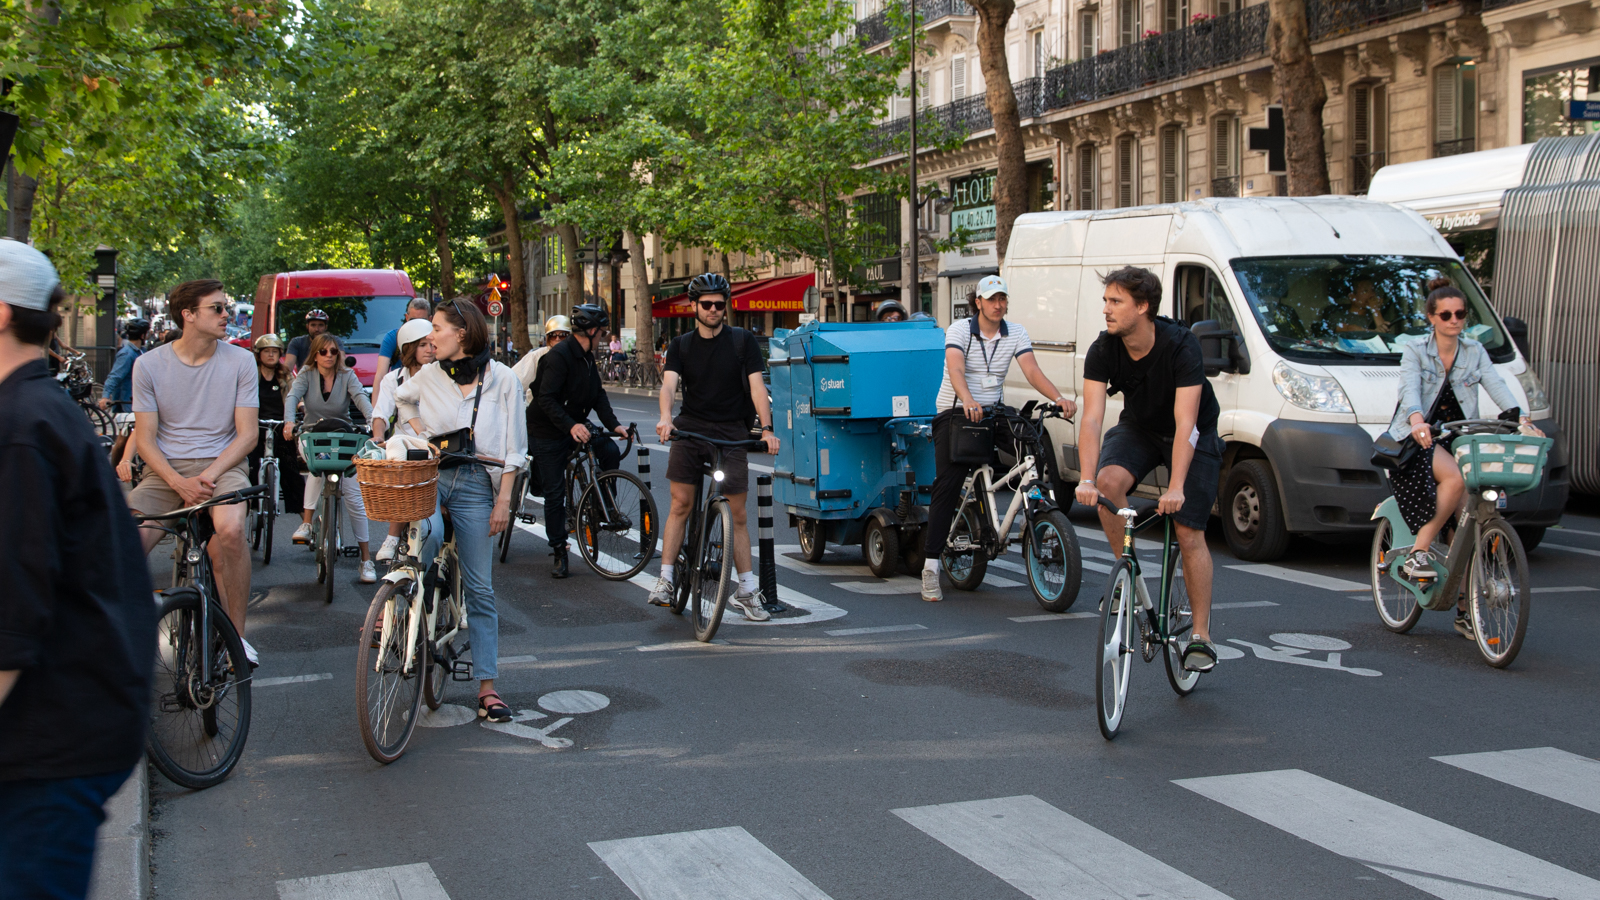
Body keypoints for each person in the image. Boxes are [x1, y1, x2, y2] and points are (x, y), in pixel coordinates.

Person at [0, 241, 157, 900]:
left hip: (50, 737)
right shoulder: (35, 413)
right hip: (67, 723)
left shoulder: (20, 427)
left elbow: (13, 611)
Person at [1073, 266, 1222, 672]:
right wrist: (1087, 478)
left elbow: (1186, 423)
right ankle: (1130, 578)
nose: (1106, 309)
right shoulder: (1103, 349)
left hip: (1192, 432)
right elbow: (1091, 419)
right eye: (1105, 300)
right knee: (1107, 485)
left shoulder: (1181, 345)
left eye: (1115, 301)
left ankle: (1201, 637)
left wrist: (1175, 487)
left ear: (1143, 307)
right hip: (1140, 428)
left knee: (1189, 530)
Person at [394, 298, 527, 723]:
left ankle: (487, 688)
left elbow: (514, 449)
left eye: (435, 328)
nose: (428, 336)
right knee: (427, 536)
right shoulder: (428, 375)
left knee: (481, 590)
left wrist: (503, 501)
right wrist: (420, 434)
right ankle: (414, 604)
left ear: (462, 333)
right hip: (432, 474)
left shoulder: (503, 379)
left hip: (475, 484)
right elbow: (402, 400)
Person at [1389, 277, 1539, 638]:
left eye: (1460, 314)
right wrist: (1416, 420)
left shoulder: (1474, 351)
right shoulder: (1415, 350)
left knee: (1469, 515)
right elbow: (1409, 388)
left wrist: (1520, 418)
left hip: (1458, 434)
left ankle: (1464, 611)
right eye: (1446, 314)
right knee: (1455, 479)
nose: (1454, 320)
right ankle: (1419, 552)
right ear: (1431, 318)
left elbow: (1496, 384)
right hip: (1419, 435)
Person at [127, 279, 260, 663]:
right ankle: (123, 638)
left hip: (225, 463)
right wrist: (177, 481)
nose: (227, 315)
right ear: (188, 315)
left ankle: (236, 638)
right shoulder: (148, 365)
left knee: (231, 531)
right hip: (166, 471)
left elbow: (247, 434)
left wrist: (209, 476)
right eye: (217, 308)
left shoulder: (241, 360)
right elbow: (146, 440)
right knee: (123, 545)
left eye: (226, 307)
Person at [922, 274, 1076, 603]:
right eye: (992, 299)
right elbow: (955, 369)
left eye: (1002, 298)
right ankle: (931, 567)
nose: (998, 305)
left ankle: (1034, 513)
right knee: (947, 485)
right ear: (978, 302)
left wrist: (1059, 398)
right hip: (955, 410)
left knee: (1032, 441)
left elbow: (1032, 371)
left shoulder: (1015, 332)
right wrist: (967, 399)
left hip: (991, 410)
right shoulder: (960, 330)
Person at [649, 273, 780, 621]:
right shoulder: (681, 345)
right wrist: (665, 418)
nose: (712, 310)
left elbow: (756, 389)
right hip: (690, 430)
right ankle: (664, 579)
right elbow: (668, 386)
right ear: (694, 306)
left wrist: (766, 430)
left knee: (737, 513)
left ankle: (748, 590)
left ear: (726, 307)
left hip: (732, 431)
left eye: (719, 305)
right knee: (681, 502)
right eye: (706, 304)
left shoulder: (742, 342)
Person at [528, 304, 628, 578]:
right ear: (592, 331)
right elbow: (545, 399)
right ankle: (560, 550)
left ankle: (601, 504)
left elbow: (597, 395)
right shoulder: (558, 357)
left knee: (608, 449)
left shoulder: (586, 357)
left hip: (573, 421)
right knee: (554, 492)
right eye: (603, 332)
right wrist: (571, 426)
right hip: (547, 428)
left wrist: (614, 425)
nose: (605, 337)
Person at [284, 333, 377, 583]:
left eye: (333, 352)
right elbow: (293, 397)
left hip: (343, 437)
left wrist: (373, 422)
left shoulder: (348, 375)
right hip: (313, 436)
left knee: (355, 499)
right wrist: (290, 421)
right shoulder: (305, 374)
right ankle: (306, 523)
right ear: (314, 354)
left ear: (339, 354)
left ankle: (366, 560)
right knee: (316, 467)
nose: (328, 356)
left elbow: (361, 399)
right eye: (323, 351)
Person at [371, 318, 436, 562]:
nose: (430, 349)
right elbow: (381, 414)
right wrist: (378, 435)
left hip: (437, 446)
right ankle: (392, 535)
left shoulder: (443, 376)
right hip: (405, 446)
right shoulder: (393, 379)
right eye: (422, 345)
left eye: (432, 344)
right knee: (401, 474)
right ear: (408, 348)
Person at [246, 334, 305, 526]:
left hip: (280, 427)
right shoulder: (250, 373)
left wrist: (300, 408)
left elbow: (294, 394)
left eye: (275, 352)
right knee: (250, 466)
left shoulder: (285, 374)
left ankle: (307, 522)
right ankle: (250, 509)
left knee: (291, 472)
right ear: (258, 354)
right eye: (266, 352)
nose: (271, 355)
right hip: (254, 426)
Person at [372, 297, 433, 405]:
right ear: (406, 317)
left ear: (430, 319)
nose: (417, 325)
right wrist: (376, 414)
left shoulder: (436, 338)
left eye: (422, 321)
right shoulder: (393, 337)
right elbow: (381, 375)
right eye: (413, 320)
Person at [511, 315, 572, 405]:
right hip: (539, 413)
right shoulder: (536, 356)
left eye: (563, 335)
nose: (557, 339)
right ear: (548, 338)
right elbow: (513, 381)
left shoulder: (577, 356)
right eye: (553, 335)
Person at [98, 319, 150, 413]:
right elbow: (115, 376)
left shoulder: (141, 351)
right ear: (143, 336)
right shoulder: (127, 354)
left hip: (139, 401)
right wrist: (105, 396)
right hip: (128, 403)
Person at [283, 308, 339, 372]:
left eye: (320, 325)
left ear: (326, 327)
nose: (317, 329)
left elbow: (342, 364)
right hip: (304, 380)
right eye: (313, 325)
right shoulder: (296, 342)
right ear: (307, 326)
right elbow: (288, 365)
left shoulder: (334, 341)